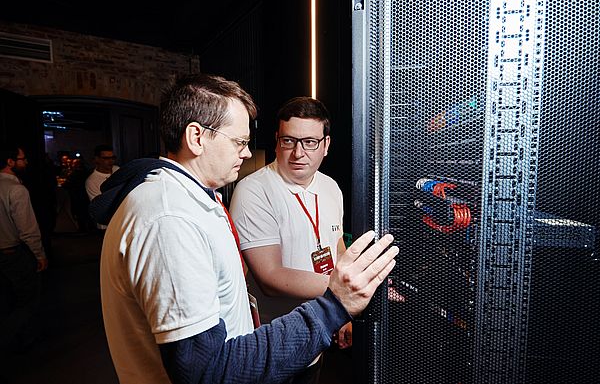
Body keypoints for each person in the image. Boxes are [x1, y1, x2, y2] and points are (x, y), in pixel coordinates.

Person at [94, 73, 398, 384]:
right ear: (196, 137)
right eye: (239, 142)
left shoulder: (191, 200)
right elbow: (205, 371)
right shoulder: (170, 219)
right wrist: (335, 305)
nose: (247, 152)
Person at [229, 97, 348, 383]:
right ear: (277, 141)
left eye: (310, 142)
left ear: (326, 145)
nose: (298, 153)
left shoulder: (331, 187)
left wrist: (342, 312)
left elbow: (336, 246)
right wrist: (345, 293)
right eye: (289, 141)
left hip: (317, 333)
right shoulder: (254, 190)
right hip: (272, 344)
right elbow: (270, 278)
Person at [0, 146, 48, 358]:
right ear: (10, 162)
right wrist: (39, 255)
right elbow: (27, 228)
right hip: (12, 253)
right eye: (22, 158)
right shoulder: (16, 189)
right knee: (27, 300)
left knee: (7, 300)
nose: (26, 162)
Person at [86, 144, 119, 229]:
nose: (110, 161)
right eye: (106, 158)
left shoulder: (117, 170)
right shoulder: (92, 181)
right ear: (97, 159)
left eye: (112, 158)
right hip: (106, 225)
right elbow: (99, 205)